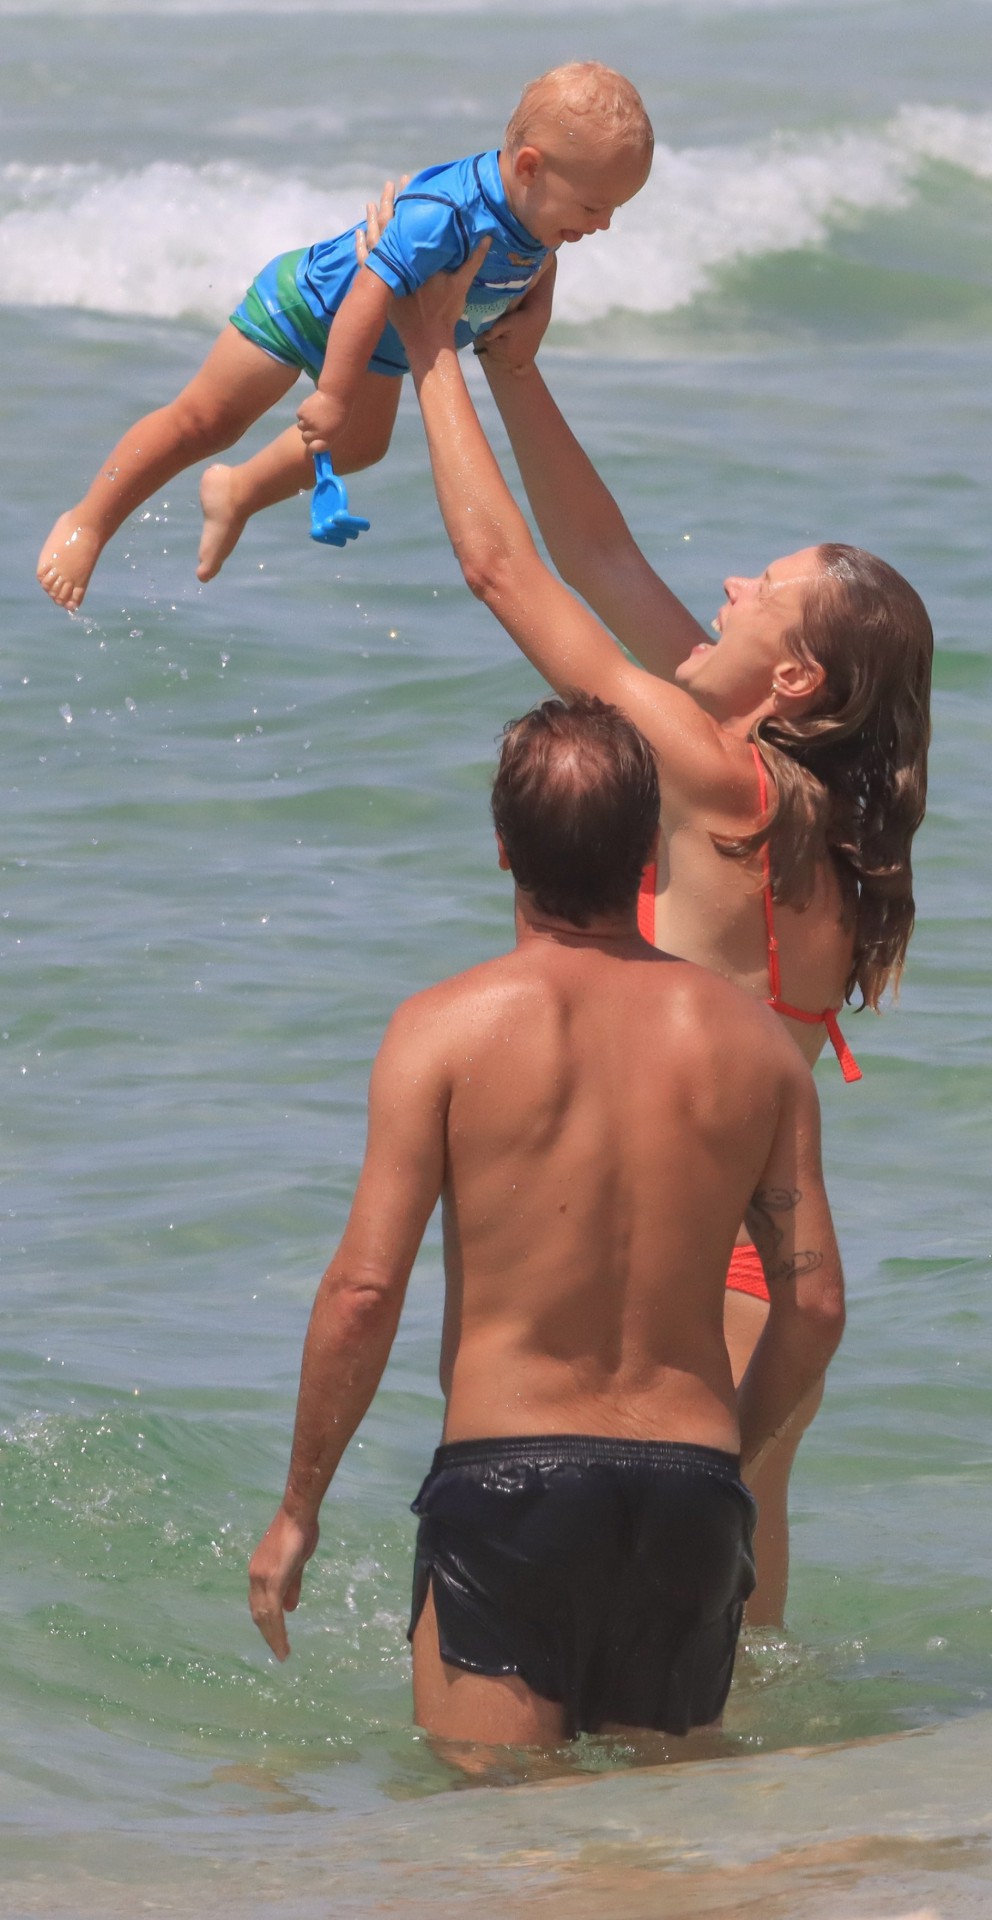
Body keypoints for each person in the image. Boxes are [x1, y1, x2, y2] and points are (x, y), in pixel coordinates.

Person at [377, 236, 933, 1627]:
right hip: (764, 1266)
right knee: (728, 1650)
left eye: (760, 590)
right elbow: (601, 556)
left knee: (626, 1632)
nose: (730, 589)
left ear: (792, 677)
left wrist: (428, 351)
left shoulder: (722, 788)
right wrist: (515, 370)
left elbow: (510, 576)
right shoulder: (811, 818)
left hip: (687, 1265)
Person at [249, 695, 845, 1748]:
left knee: (498, 1825)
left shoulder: (442, 1030)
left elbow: (364, 1291)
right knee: (672, 1830)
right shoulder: (755, 1047)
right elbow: (816, 1305)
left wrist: (299, 1509)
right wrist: (729, 1465)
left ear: (501, 847)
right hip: (691, 1491)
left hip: (509, 1483)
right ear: (648, 853)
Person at [36, 62, 652, 612]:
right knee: (206, 422)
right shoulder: (444, 215)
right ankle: (89, 521)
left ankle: (237, 490)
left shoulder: (541, 213)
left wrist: (536, 314)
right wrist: (333, 393)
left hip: (382, 348)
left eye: (615, 210)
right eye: (594, 207)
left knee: (362, 444)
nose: (603, 224)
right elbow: (368, 289)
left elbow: (540, 257)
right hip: (306, 306)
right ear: (529, 167)